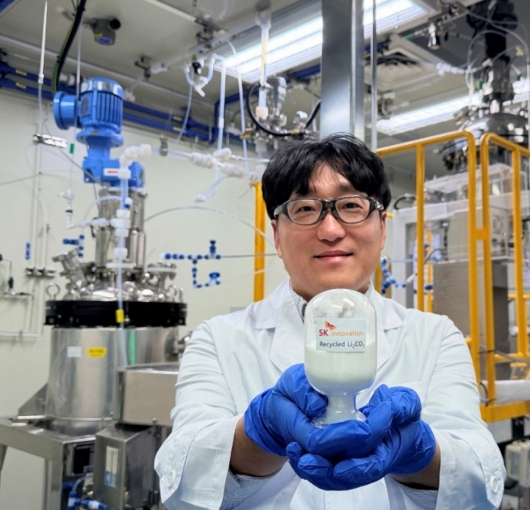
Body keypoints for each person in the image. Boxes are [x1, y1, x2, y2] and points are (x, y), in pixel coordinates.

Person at [155, 134, 505, 509]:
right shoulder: (218, 339)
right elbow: (181, 486)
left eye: (351, 205)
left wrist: (418, 454)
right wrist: (257, 436)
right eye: (305, 209)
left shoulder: (435, 337)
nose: (331, 230)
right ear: (277, 235)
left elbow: (482, 484)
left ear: (382, 228)